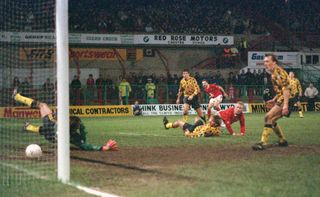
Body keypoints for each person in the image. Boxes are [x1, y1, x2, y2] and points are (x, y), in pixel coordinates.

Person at [12, 88, 117, 151]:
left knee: (42, 105)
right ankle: (28, 127)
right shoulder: (74, 136)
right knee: (47, 129)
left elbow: (57, 116)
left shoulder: (61, 124)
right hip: (52, 138)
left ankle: (17, 97)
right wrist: (104, 147)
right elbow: (85, 145)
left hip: (51, 127)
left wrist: (58, 96)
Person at [252, 54, 293, 151]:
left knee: (268, 117)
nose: (265, 63)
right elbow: (281, 89)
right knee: (272, 120)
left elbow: (286, 89)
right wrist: (274, 99)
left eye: (267, 61)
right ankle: (282, 140)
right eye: (264, 61)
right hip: (283, 97)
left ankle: (263, 142)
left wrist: (285, 105)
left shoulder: (279, 73)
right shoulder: (273, 73)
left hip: (288, 98)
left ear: (274, 62)